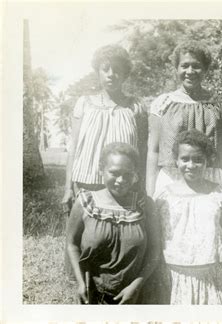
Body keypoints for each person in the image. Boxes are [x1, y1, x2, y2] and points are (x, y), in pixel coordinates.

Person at [61, 44, 147, 279]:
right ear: (97, 71)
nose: (111, 74)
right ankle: (83, 292)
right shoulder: (84, 103)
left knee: (116, 245)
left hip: (122, 184)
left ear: (125, 73)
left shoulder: (135, 106)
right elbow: (74, 147)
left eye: (117, 69)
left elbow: (143, 150)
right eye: (105, 69)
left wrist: (142, 186)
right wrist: (68, 187)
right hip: (87, 184)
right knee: (83, 243)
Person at [153, 129, 222, 304]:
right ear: (176, 161)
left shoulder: (220, 194)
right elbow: (157, 240)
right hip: (175, 275)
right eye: (185, 159)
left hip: (214, 276)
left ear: (208, 161)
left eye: (198, 160)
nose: (191, 165)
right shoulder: (163, 196)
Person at [66, 142, 160, 304]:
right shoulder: (85, 202)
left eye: (127, 174)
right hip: (92, 294)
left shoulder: (145, 205)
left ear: (135, 174)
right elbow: (71, 244)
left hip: (133, 296)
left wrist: (136, 286)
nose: (121, 180)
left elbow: (155, 249)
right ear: (101, 170)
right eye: (114, 173)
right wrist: (81, 283)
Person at [146, 41, 222, 199]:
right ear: (176, 68)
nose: (190, 71)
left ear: (206, 69)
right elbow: (153, 151)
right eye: (184, 66)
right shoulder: (163, 103)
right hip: (172, 178)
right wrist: (150, 194)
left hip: (210, 177)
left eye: (196, 66)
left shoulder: (219, 104)